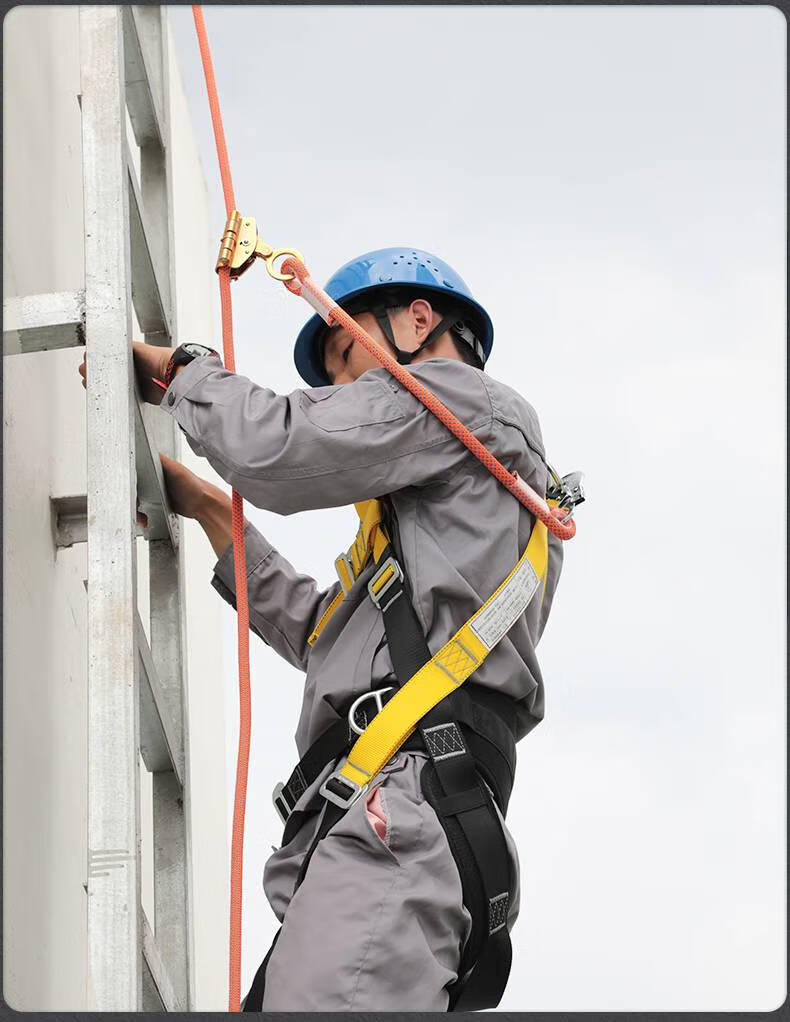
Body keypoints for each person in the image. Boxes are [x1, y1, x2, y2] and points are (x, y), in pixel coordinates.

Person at [79, 247, 567, 1011]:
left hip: (403, 808)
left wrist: (187, 372)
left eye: (346, 354)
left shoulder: (465, 402)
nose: (346, 387)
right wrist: (210, 511)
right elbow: (325, 638)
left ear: (418, 321)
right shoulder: (433, 540)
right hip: (389, 813)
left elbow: (278, 448)